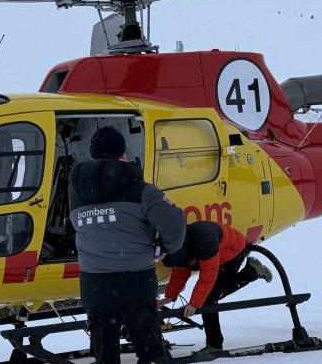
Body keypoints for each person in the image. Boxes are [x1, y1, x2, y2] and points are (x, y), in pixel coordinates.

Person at [70, 126, 185, 364]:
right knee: (151, 352)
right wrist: (165, 248)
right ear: (123, 155)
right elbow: (174, 222)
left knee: (105, 356)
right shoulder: (142, 190)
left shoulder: (77, 193)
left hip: (94, 286)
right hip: (136, 284)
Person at [157, 221, 274, 356]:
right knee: (208, 298)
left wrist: (194, 303)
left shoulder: (204, 243)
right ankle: (214, 344)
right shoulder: (179, 247)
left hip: (232, 252)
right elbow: (180, 272)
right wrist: (170, 297)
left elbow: (208, 277)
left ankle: (252, 272)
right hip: (218, 252)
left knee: (208, 299)